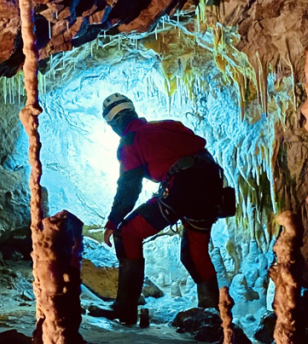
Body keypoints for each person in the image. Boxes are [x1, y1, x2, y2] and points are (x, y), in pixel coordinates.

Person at [89, 93, 225, 325]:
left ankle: (125, 309)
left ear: (113, 124)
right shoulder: (167, 125)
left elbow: (129, 187)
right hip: (212, 185)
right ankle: (211, 313)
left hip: (182, 187)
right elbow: (197, 147)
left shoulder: (130, 142)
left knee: (127, 233)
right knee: (194, 253)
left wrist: (113, 221)